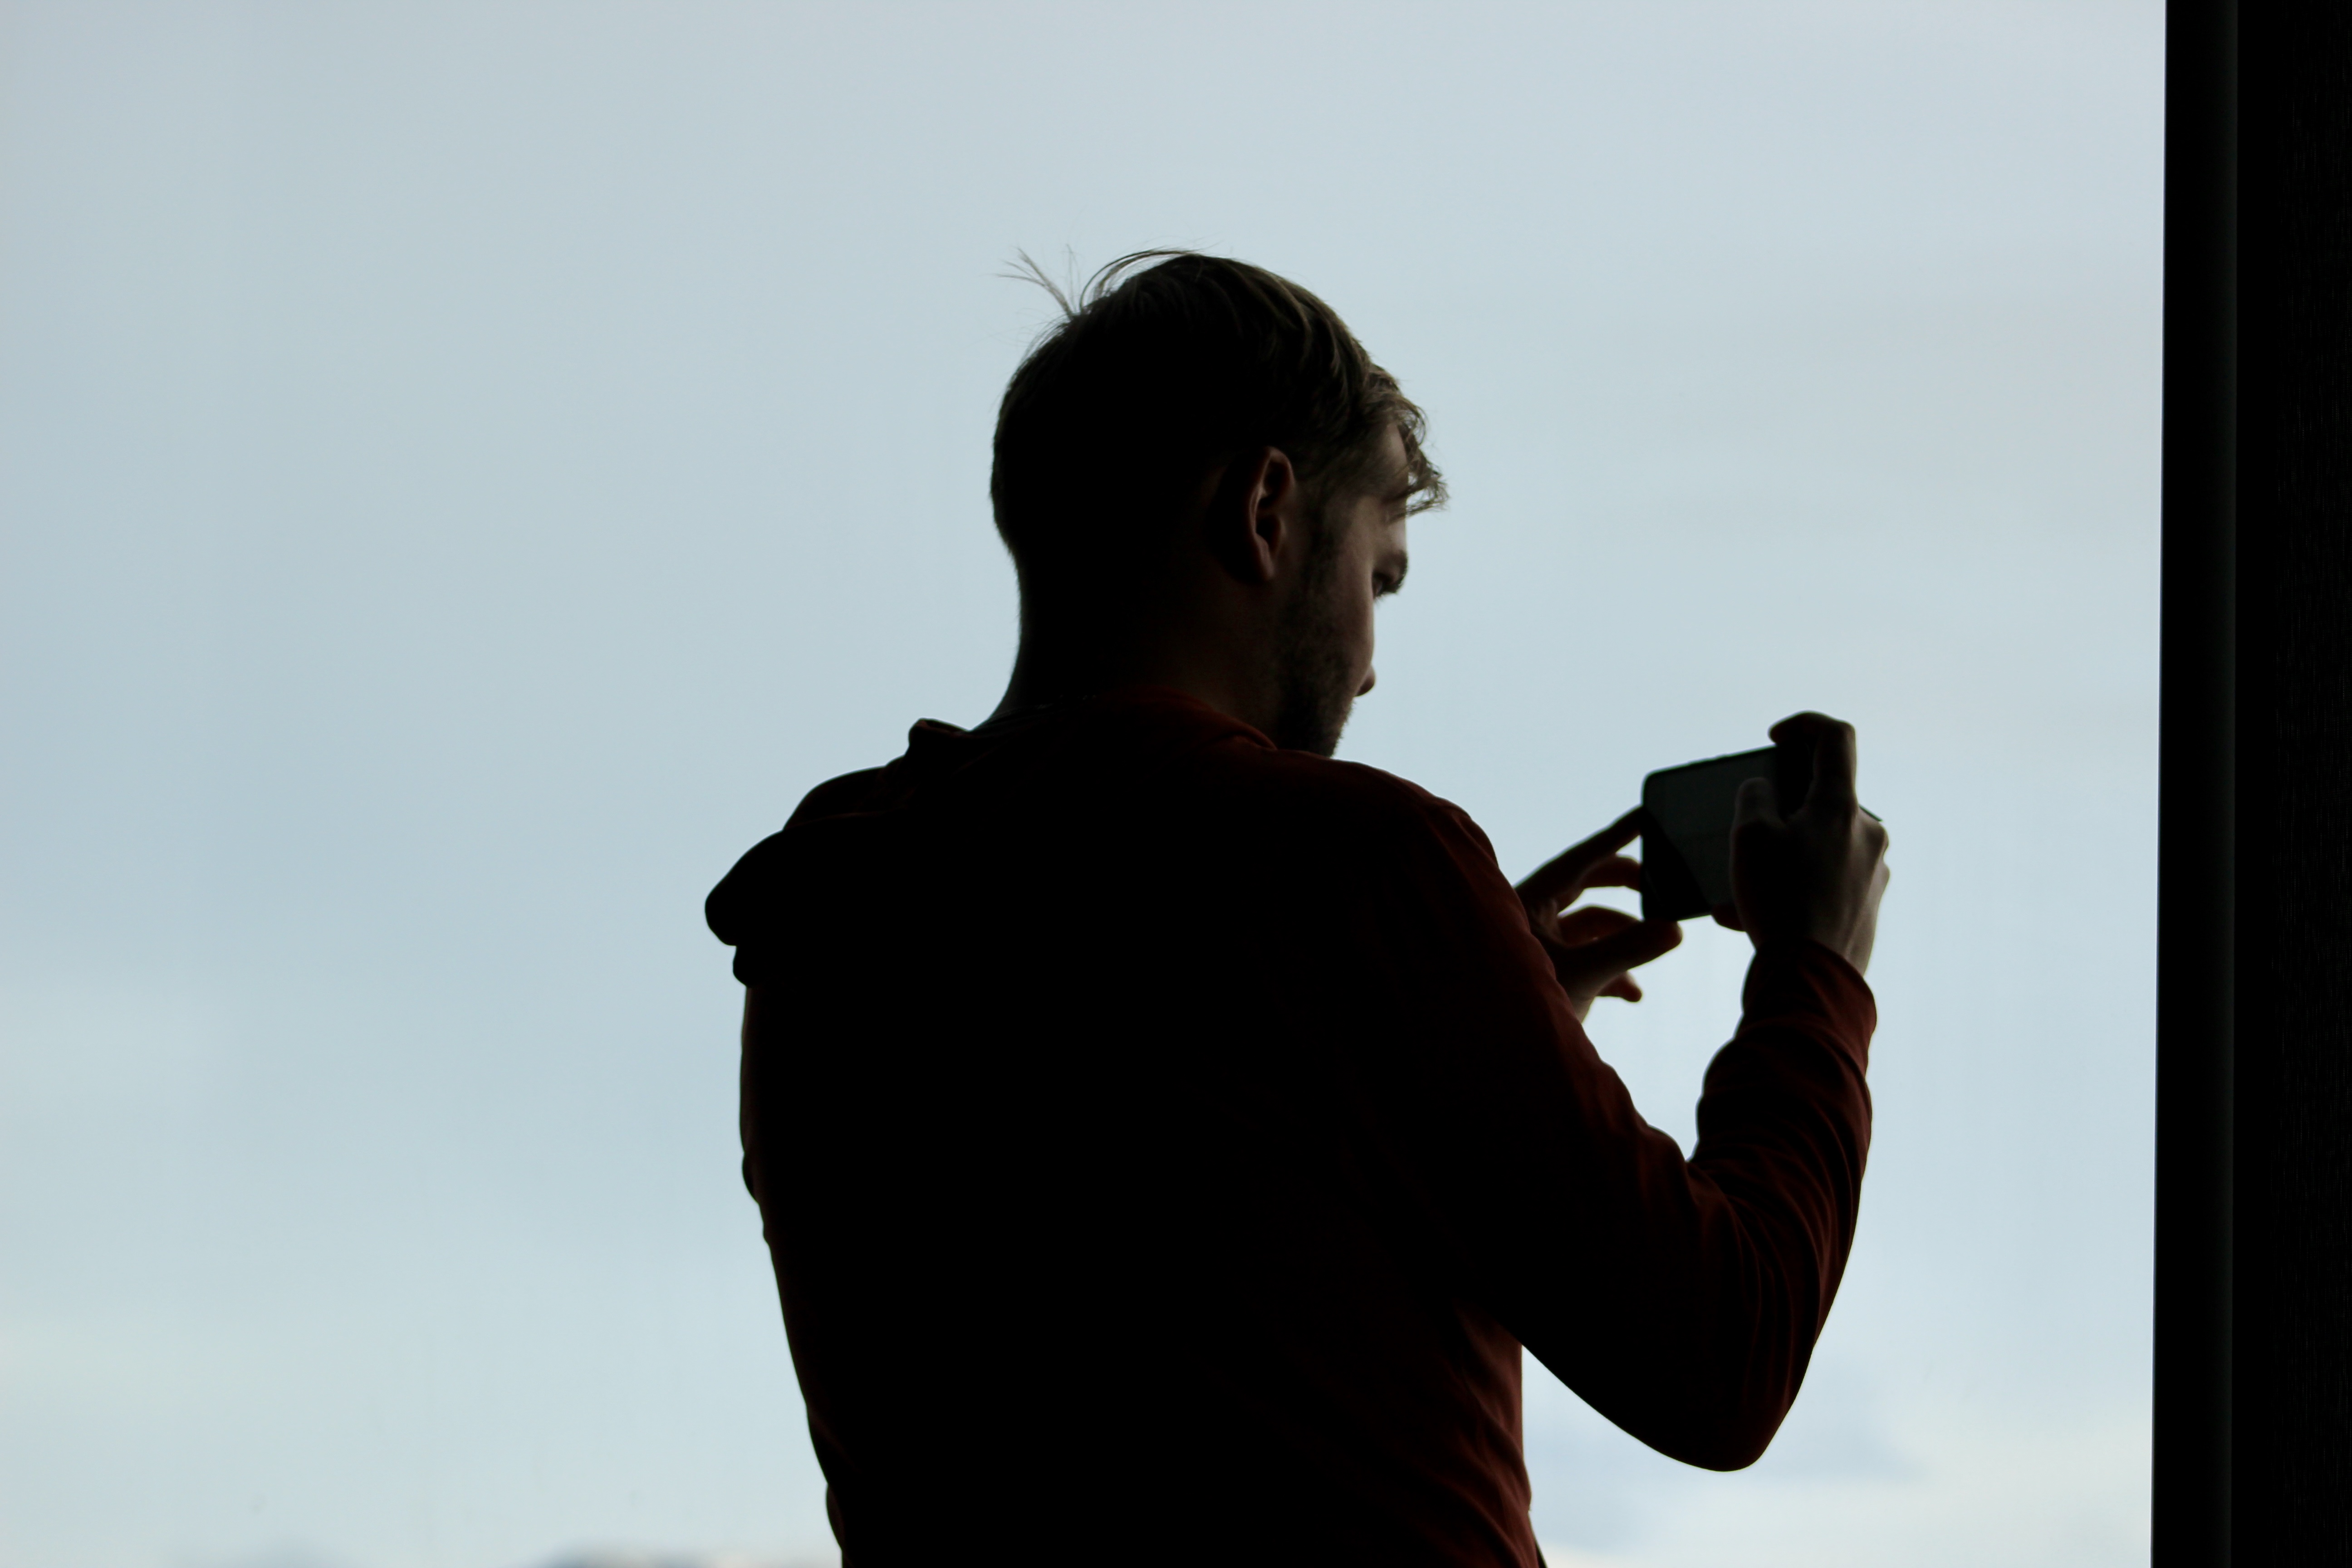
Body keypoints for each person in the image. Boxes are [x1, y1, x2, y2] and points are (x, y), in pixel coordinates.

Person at [706, 252, 1890, 1567]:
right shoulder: (1351, 870)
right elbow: (1721, 1355)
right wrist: (1815, 976)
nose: (1374, 667)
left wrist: (1484, 1021)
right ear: (1268, 511)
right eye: (1378, 577)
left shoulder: (822, 925)